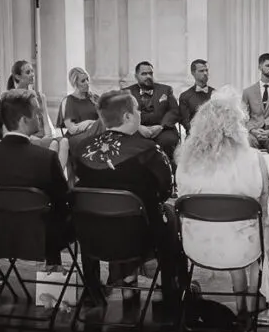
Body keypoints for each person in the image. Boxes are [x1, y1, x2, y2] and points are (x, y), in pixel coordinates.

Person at [73, 90, 187, 317]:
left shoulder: (81, 148)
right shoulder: (148, 150)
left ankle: (104, 289)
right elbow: (164, 190)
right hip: (140, 235)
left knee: (111, 213)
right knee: (169, 214)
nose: (140, 114)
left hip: (93, 232)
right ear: (127, 117)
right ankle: (170, 291)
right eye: (137, 109)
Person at [175, 91, 269, 325]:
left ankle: (241, 297)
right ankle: (256, 301)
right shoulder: (254, 158)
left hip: (198, 245)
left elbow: (181, 200)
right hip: (244, 246)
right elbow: (262, 207)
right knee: (267, 220)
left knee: (234, 218)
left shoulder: (185, 162)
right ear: (237, 127)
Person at [0, 90, 90, 296]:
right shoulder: (44, 157)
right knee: (81, 216)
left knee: (45, 210)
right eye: (37, 114)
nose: (40, 117)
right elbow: (64, 198)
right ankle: (91, 288)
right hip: (44, 237)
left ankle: (54, 269)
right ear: (23, 120)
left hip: (3, 232)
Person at [124, 61, 181, 159]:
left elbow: (174, 111)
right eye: (144, 74)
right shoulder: (127, 92)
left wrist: (161, 126)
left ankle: (167, 170)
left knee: (168, 141)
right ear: (136, 76)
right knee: (133, 143)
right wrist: (138, 127)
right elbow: (124, 114)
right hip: (137, 129)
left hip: (163, 129)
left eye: (150, 73)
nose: (148, 76)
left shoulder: (166, 90)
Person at [7, 59, 59, 141]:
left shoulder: (40, 96)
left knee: (61, 142)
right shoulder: (12, 97)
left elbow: (45, 120)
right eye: (28, 72)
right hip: (26, 137)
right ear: (18, 76)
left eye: (32, 71)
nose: (32, 75)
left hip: (42, 136)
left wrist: (48, 137)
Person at [62, 67, 101, 152]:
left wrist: (89, 123)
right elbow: (72, 130)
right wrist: (91, 125)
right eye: (83, 81)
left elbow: (104, 120)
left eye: (87, 79)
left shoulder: (95, 98)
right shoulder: (69, 101)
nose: (87, 83)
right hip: (76, 137)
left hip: (95, 134)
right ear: (75, 83)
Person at [178, 59, 214, 135]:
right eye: (201, 71)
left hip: (214, 135)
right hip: (194, 136)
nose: (205, 73)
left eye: (206, 70)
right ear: (193, 73)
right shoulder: (185, 96)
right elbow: (185, 122)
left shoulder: (215, 94)